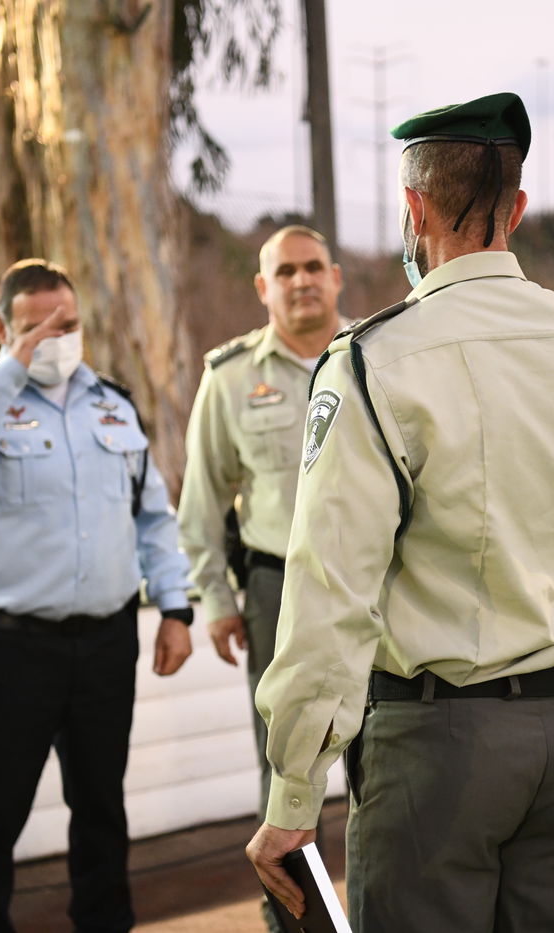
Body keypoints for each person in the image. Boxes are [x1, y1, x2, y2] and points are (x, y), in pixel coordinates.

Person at [245, 92, 554, 932]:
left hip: (441, 743)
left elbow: (329, 589)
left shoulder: (375, 360)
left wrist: (292, 791)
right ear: (518, 208)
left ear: (414, 209)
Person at [0, 259, 195, 933]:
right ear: (2, 326)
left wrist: (175, 609)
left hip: (104, 644)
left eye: (66, 324)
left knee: (101, 810)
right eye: (35, 327)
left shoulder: (112, 404)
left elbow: (152, 516)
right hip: (11, 650)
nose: (54, 339)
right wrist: (8, 368)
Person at [178, 225, 345, 814]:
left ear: (335, 278)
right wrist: (218, 601)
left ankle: (382, 904)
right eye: (285, 271)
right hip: (278, 589)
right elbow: (201, 502)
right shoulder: (231, 378)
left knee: (391, 748)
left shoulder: (377, 360)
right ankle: (294, 910)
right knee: (285, 761)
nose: (301, 281)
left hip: (377, 582)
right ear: (261, 287)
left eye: (312, 267)